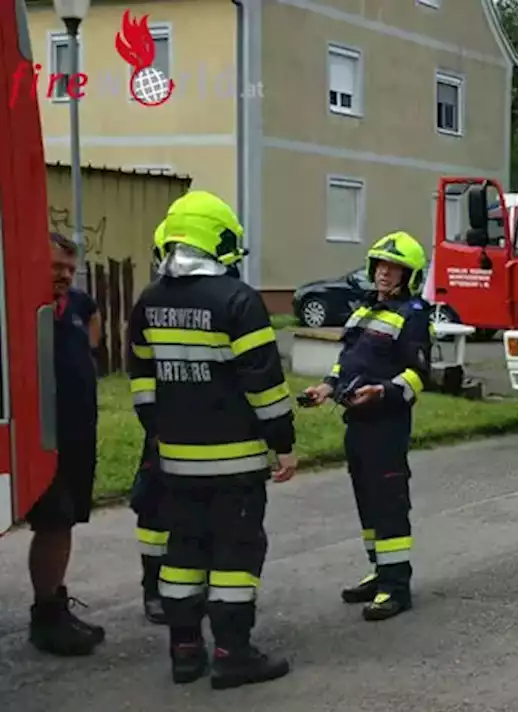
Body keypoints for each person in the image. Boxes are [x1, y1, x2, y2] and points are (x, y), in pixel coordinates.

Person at [126, 190, 298, 688]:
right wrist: (282, 443)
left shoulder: (149, 301)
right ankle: (232, 654)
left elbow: (141, 378)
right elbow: (264, 383)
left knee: (182, 554)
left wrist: (159, 433)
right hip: (237, 463)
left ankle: (185, 652)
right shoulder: (239, 300)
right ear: (219, 239)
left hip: (175, 462)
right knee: (235, 557)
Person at [303, 231, 433, 622]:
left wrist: (383, 391)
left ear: (409, 275)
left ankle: (397, 587)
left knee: (389, 503)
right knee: (367, 502)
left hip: (386, 425)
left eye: (394, 268)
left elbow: (419, 374)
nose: (384, 274)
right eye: (380, 265)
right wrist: (326, 387)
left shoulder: (412, 315)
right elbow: (347, 361)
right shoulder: (363, 312)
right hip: (356, 423)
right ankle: (379, 571)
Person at [23, 232, 105, 657]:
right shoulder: (22, 307)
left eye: (71, 269)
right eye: (57, 266)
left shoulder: (76, 305)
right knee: (52, 522)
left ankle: (56, 603)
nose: (65, 275)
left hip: (77, 434)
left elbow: (92, 327)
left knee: (66, 520)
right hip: (39, 438)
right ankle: (45, 618)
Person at [130, 221, 170, 625]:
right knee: (154, 512)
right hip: (162, 428)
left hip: (206, 425)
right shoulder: (150, 301)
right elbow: (139, 368)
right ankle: (152, 589)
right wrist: (153, 423)